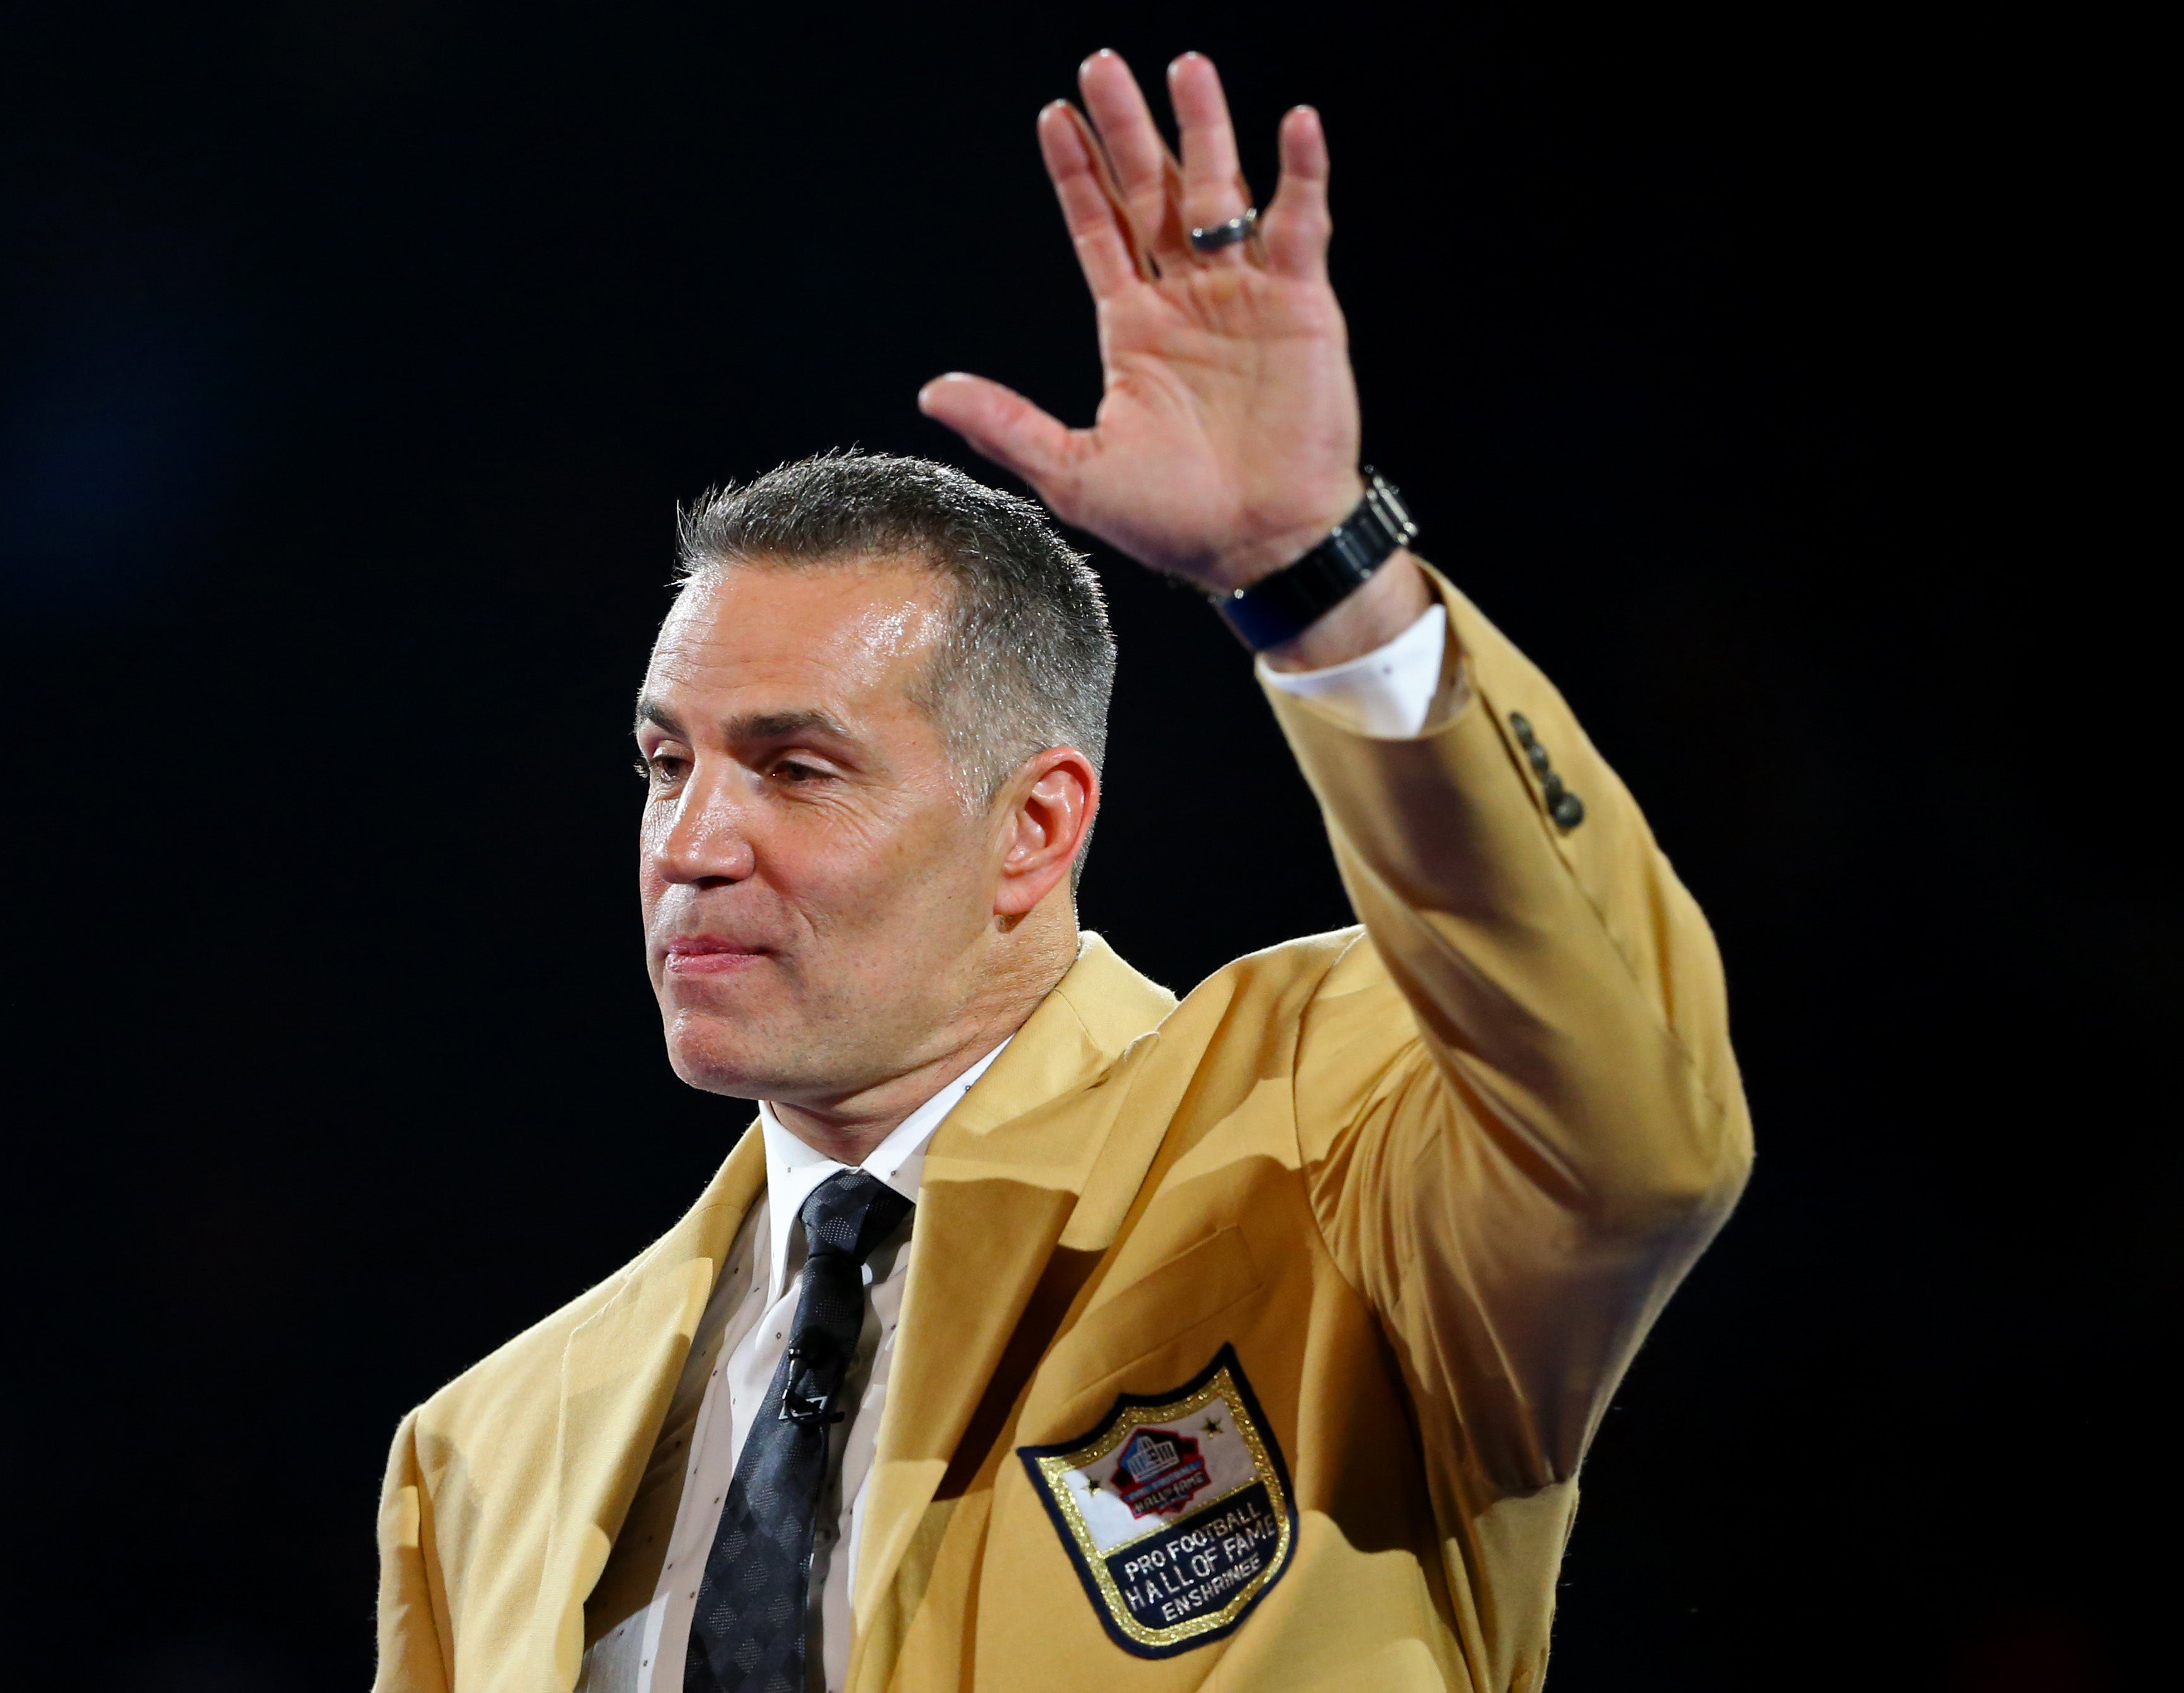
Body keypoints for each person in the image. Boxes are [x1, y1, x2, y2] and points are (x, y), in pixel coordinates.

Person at [372, 47, 1750, 1693]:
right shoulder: (487, 1452)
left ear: (1036, 827)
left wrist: (1321, 580)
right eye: (669, 763)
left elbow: (1632, 1104)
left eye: (796, 770)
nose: (693, 844)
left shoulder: (1336, 1149)